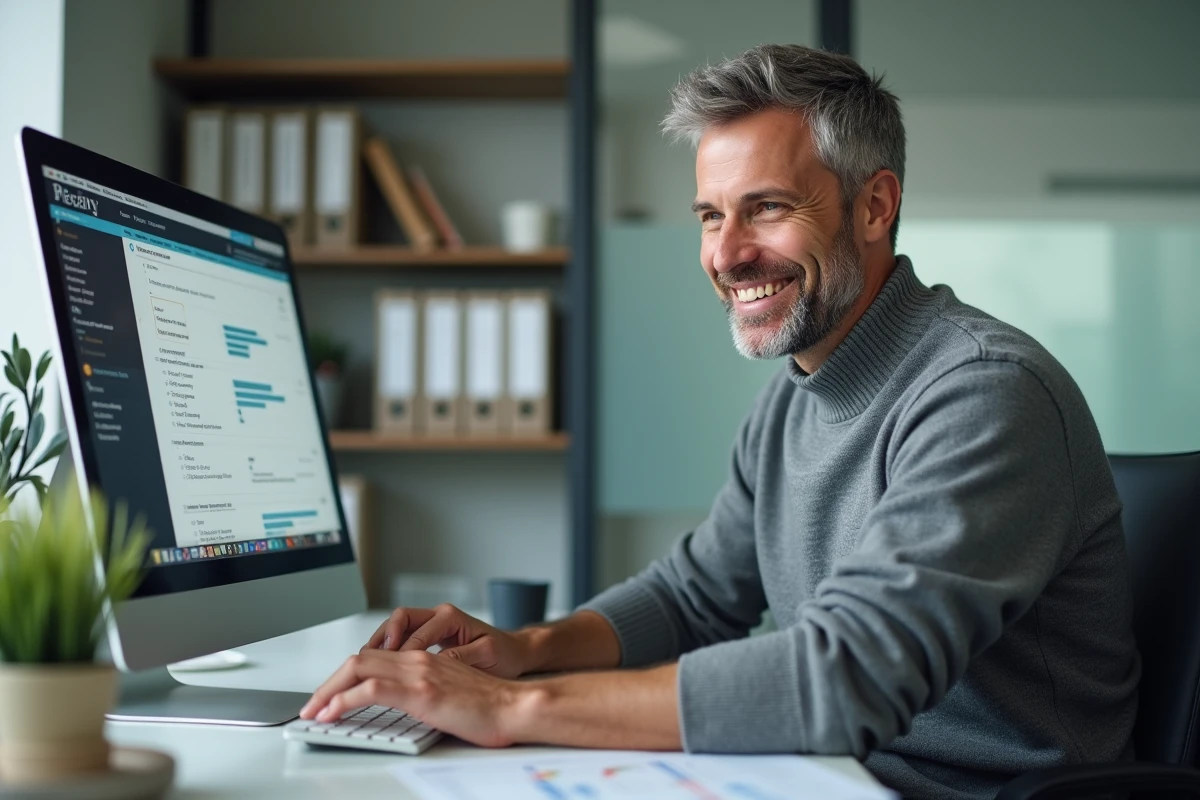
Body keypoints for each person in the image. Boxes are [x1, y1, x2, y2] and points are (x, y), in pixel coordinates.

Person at [300, 44, 1139, 799]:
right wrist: (526, 648)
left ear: (874, 207)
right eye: (710, 214)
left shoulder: (985, 394)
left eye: (766, 207)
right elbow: (693, 596)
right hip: (826, 777)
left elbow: (844, 679)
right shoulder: (792, 399)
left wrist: (513, 705)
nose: (726, 254)